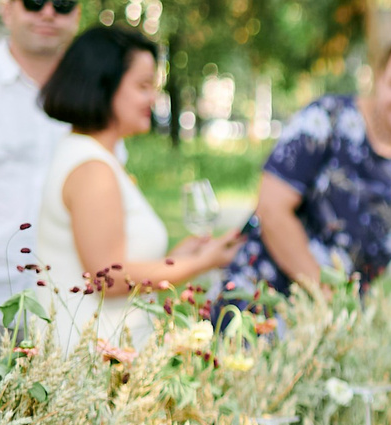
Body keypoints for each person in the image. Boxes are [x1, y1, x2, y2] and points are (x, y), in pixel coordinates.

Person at [219, 36, 391, 323]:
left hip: (341, 325)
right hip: (259, 301)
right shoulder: (326, 119)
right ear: (378, 80)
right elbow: (271, 208)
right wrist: (325, 298)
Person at [32, 26, 242, 344]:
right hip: (92, 362)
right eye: (143, 86)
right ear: (104, 85)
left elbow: (119, 263)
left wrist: (179, 257)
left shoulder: (91, 154)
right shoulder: (92, 168)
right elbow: (109, 277)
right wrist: (202, 262)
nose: (153, 98)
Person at [0, 0, 84, 312]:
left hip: (70, 304)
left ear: (76, 16)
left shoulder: (95, 98)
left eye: (62, 5)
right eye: (34, 2)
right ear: (8, 10)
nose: (48, 13)